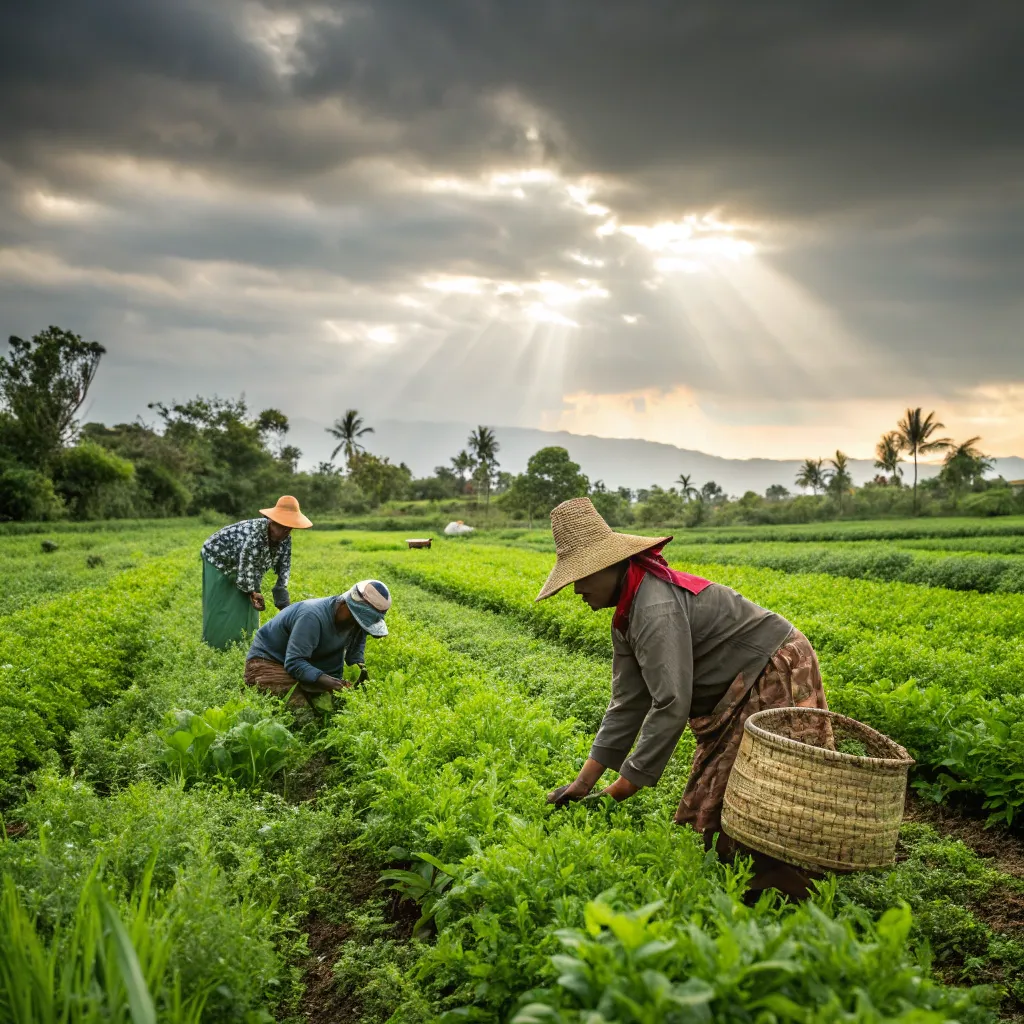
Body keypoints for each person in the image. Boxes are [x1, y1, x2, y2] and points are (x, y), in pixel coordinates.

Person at [536, 497, 834, 903]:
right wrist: (583, 782)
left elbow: (671, 703)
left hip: (771, 670)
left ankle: (788, 898)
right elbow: (627, 702)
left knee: (760, 791)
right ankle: (747, 890)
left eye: (581, 579)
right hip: (735, 688)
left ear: (609, 567)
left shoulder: (653, 607)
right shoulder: (627, 614)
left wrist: (621, 789)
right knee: (722, 796)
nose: (578, 591)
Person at [244, 579, 391, 707]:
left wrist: (361, 672)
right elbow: (294, 662)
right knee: (304, 718)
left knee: (337, 709)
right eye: (359, 620)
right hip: (268, 662)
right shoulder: (312, 616)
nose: (359, 626)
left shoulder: (355, 623)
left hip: (307, 663)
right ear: (346, 606)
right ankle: (257, 685)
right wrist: (334, 684)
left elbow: (355, 654)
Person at [200, 495, 312, 650]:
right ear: (273, 522)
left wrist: (282, 599)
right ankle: (216, 645)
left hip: (241, 562)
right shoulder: (255, 534)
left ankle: (244, 642)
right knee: (223, 603)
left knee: (246, 604)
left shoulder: (285, 539)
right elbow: (248, 566)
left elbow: (284, 566)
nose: (287, 531)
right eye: (283, 526)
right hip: (218, 556)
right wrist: (253, 591)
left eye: (290, 528)